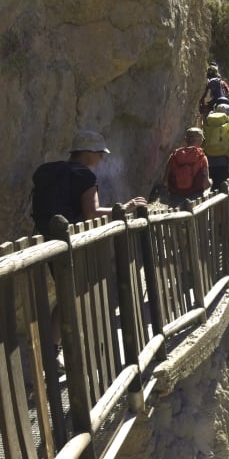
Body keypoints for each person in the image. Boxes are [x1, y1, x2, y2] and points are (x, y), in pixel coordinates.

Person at [31, 129, 147, 372]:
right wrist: (124, 208)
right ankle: (57, 354)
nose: (101, 159)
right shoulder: (84, 176)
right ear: (87, 153)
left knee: (66, 295)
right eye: (99, 154)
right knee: (72, 295)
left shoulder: (50, 171)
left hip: (44, 240)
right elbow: (91, 213)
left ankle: (52, 351)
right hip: (70, 242)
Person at [162, 127, 211, 205]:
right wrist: (210, 183)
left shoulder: (174, 155)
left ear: (186, 139)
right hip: (195, 196)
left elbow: (165, 182)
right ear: (200, 140)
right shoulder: (201, 156)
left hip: (175, 195)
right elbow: (206, 183)